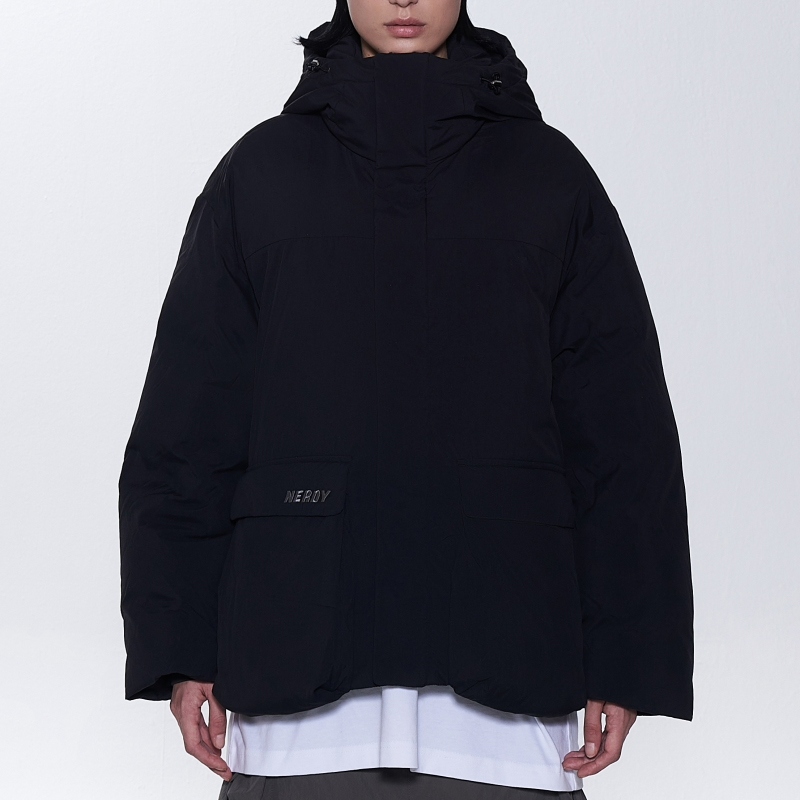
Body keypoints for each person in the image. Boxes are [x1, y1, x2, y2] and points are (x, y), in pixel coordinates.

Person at [118, 1, 694, 798]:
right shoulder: (260, 172)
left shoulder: (549, 174)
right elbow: (188, 427)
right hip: (295, 693)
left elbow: (621, 434)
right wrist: (181, 651)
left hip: (507, 697)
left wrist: (628, 657)